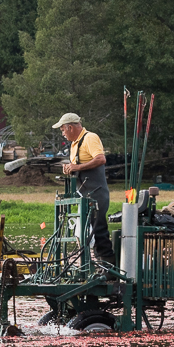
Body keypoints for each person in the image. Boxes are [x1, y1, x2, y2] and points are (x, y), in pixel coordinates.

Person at [54, 113, 115, 264]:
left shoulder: (90, 137)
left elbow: (101, 159)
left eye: (62, 129)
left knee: (98, 230)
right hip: (86, 195)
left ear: (70, 127)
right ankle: (99, 264)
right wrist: (70, 168)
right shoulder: (75, 144)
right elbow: (79, 166)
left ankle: (109, 265)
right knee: (89, 232)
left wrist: (77, 167)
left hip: (97, 194)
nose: (62, 133)